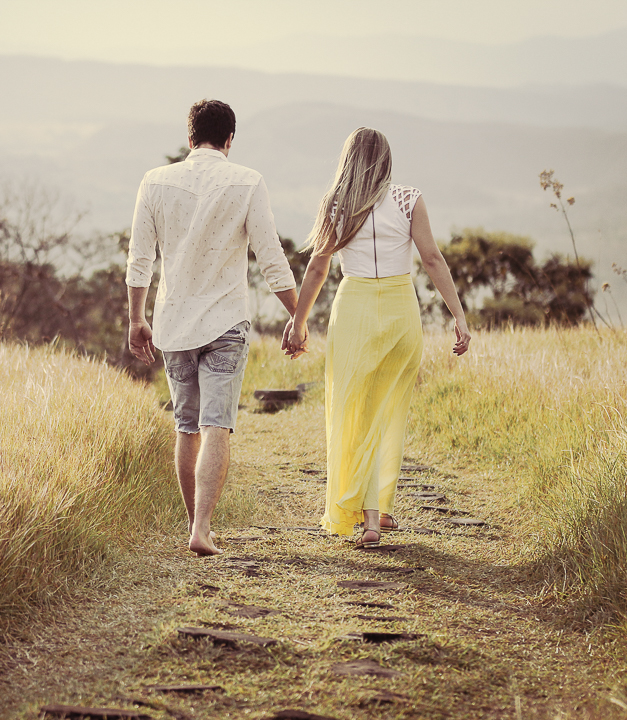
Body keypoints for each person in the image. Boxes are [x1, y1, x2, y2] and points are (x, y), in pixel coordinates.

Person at [283, 127, 471, 548]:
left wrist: (298, 321)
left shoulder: (336, 206)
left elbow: (317, 270)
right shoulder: (409, 199)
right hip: (401, 312)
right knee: (388, 409)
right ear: (386, 159)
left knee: (357, 411)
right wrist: (458, 315)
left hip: (354, 312)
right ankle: (378, 509)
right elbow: (432, 259)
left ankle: (369, 515)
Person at [127, 99, 299, 556]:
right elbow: (271, 259)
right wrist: (297, 318)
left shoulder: (154, 181)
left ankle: (193, 526)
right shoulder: (247, 181)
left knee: (187, 426)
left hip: (173, 321)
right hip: (226, 319)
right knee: (216, 424)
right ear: (229, 140)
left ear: (189, 138)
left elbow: (139, 260)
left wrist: (136, 318)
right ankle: (203, 526)